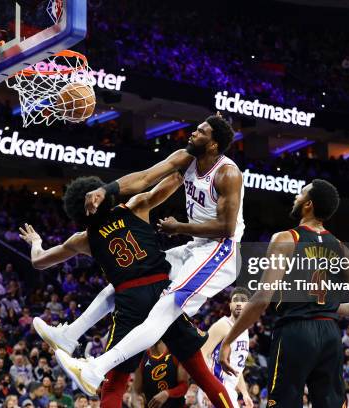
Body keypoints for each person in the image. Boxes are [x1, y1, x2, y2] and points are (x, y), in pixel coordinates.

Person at [52, 113, 244, 395]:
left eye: (201, 132)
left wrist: (179, 226)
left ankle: (96, 369)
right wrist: (106, 190)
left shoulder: (228, 174)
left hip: (222, 252)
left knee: (163, 310)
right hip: (196, 247)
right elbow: (144, 178)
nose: (193, 133)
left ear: (213, 145)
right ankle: (69, 336)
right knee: (139, 274)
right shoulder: (185, 157)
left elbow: (226, 228)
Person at [20, 174, 235, 408]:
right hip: (163, 292)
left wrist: (36, 242)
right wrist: (190, 164)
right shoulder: (135, 207)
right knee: (203, 375)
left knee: (114, 383)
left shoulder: (82, 239)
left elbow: (39, 262)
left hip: (129, 300)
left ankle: (70, 335)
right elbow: (173, 179)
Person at [219, 180, 349, 408]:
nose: (296, 197)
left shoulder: (286, 239)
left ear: (308, 204)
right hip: (330, 335)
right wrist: (326, 307)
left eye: (301, 193)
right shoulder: (341, 248)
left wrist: (228, 340)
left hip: (295, 332)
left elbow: (262, 299)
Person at [199, 288, 252, 408]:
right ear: (230, 306)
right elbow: (202, 354)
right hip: (216, 386)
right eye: (235, 300)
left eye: (243, 300)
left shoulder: (245, 331)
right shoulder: (222, 325)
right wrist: (207, 388)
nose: (239, 303)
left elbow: (237, 368)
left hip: (229, 390)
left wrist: (244, 393)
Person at [133, 340, 189, 408]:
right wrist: (137, 400)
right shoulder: (141, 358)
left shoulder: (175, 352)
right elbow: (136, 391)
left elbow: (184, 386)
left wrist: (167, 393)